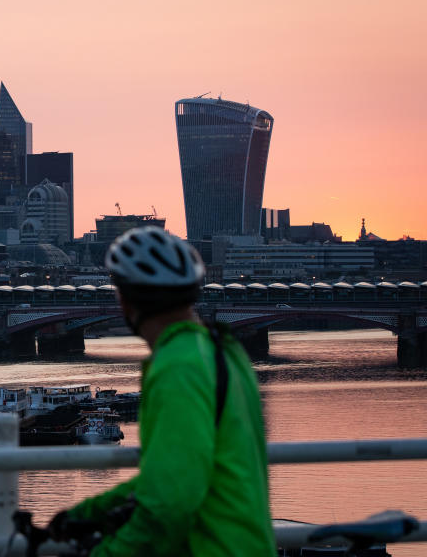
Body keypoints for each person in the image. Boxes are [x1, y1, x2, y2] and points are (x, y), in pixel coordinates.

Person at [49, 226, 275, 556]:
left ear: (125, 301)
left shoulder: (177, 368)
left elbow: (168, 506)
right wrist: (87, 513)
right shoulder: (224, 351)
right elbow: (169, 476)